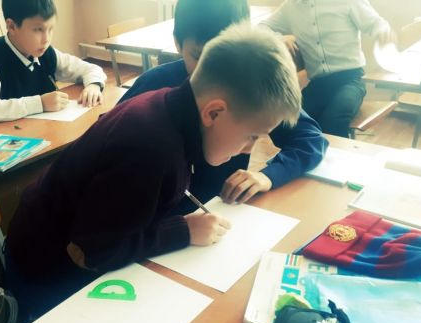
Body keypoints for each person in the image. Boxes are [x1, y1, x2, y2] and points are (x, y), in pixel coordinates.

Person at [0, 23, 303, 323]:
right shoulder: (152, 149)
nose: (249, 149)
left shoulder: (172, 109)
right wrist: (183, 231)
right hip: (46, 273)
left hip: (73, 244)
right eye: (251, 136)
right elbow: (89, 253)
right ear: (214, 113)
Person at [120, 0, 326, 211]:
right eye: (199, 55)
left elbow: (310, 139)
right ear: (178, 44)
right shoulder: (154, 85)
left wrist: (267, 176)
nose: (214, 69)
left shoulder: (253, 86)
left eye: (227, 55)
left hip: (223, 211)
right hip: (159, 219)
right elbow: (117, 152)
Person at [262, 0, 394, 137]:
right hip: (317, 84)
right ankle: (310, 149)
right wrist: (278, 38)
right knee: (284, 125)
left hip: (350, 80)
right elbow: (262, 27)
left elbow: (376, 23)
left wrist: (382, 32)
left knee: (332, 121)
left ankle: (337, 151)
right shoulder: (291, 6)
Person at [0, 0, 107, 124]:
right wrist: (39, 103)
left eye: (50, 29)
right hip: (15, 138)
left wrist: (93, 85)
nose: (46, 39)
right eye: (38, 30)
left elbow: (91, 69)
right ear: (11, 26)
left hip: (50, 132)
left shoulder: (45, 53)